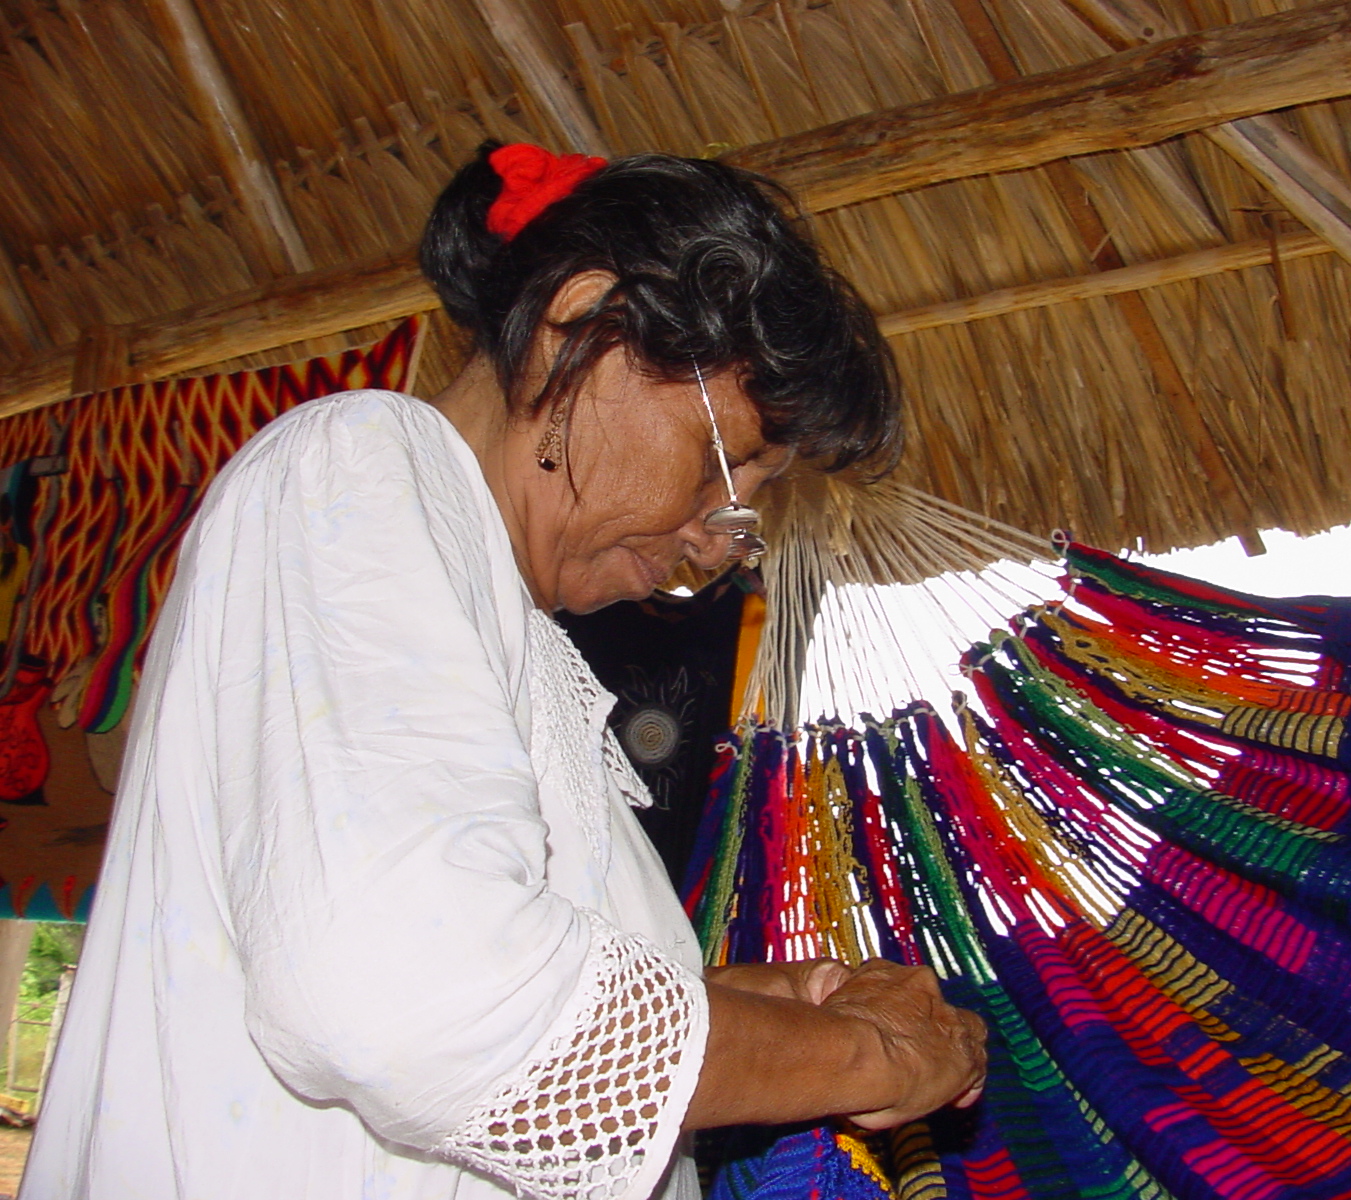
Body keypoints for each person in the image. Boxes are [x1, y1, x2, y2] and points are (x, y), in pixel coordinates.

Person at [22, 143, 986, 1199]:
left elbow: (468, 973)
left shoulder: (502, 623)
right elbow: (405, 995)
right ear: (579, 331)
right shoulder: (356, 468)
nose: (721, 540)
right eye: (724, 465)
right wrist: (867, 1056)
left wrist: (758, 1005)